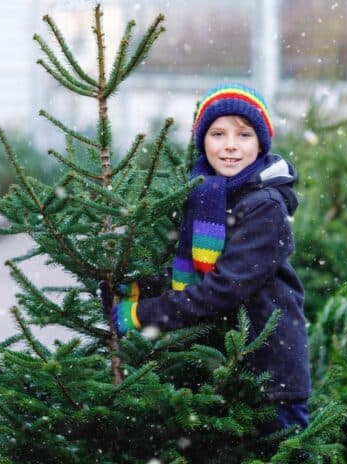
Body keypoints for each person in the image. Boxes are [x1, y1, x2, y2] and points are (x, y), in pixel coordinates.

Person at [109, 84, 311, 441]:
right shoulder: (208, 195)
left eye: (244, 134)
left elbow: (223, 288)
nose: (230, 145)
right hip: (227, 366)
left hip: (270, 372)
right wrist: (141, 288)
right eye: (218, 133)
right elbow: (197, 274)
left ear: (261, 144)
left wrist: (143, 314)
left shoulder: (265, 205)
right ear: (202, 140)